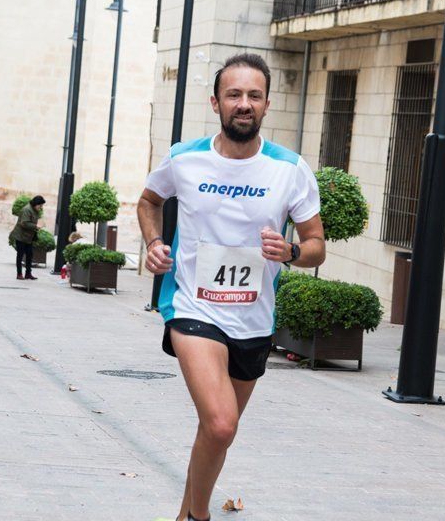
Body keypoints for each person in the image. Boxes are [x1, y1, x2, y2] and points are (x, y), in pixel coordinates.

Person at [137, 54, 325, 521]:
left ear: (266, 105)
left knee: (220, 428)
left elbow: (317, 244)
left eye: (254, 96)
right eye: (234, 95)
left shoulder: (290, 168)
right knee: (221, 424)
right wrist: (154, 242)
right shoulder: (185, 158)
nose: (244, 104)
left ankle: (186, 514)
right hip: (191, 306)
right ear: (216, 102)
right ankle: (199, 518)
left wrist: (292, 253)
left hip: (254, 318)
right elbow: (148, 200)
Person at [10, 195, 45, 280]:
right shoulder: (27, 209)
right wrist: (36, 226)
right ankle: (19, 274)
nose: (41, 207)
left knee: (29, 255)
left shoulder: (34, 210)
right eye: (40, 205)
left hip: (28, 237)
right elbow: (24, 223)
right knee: (20, 255)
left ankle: (28, 273)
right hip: (21, 236)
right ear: (36, 204)